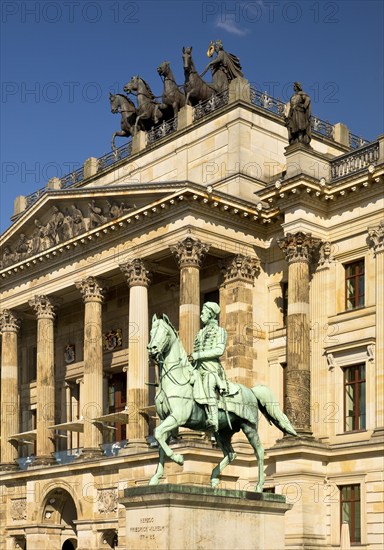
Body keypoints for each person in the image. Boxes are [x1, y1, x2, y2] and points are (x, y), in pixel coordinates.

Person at [188, 302, 227, 431]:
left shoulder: (220, 331)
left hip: (211, 368)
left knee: (209, 383)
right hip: (197, 368)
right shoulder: (199, 333)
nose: (200, 315)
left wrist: (198, 355)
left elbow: (219, 350)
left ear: (210, 313)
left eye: (203, 312)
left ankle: (214, 420)